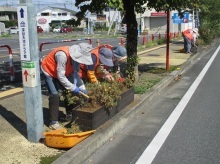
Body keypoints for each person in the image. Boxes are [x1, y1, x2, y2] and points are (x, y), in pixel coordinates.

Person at [41, 42, 93, 130]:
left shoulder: (76, 59)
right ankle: (53, 122)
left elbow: (75, 73)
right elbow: (61, 77)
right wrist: (73, 87)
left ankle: (69, 115)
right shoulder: (62, 55)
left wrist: (81, 87)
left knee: (68, 91)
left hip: (62, 72)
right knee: (55, 94)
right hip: (49, 70)